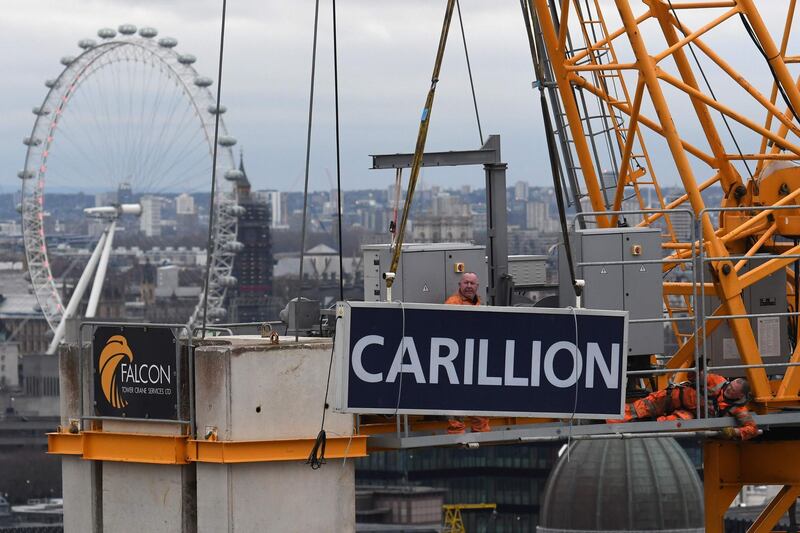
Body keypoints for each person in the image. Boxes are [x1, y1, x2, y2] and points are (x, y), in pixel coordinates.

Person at [609, 372, 758, 440]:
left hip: (691, 415)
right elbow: (692, 376)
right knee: (642, 406)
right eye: (729, 386)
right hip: (674, 398)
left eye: (732, 390)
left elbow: (752, 429)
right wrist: (697, 373)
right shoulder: (716, 380)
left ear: (739, 396)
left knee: (669, 424)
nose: (728, 389)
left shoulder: (739, 409)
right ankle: (609, 418)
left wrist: (734, 432)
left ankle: (641, 427)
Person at [444, 272, 490, 434]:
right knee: (457, 396)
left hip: (475, 357)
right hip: (457, 359)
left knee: (477, 394)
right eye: (466, 283)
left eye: (472, 283)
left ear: (477, 286)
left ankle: (480, 429)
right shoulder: (453, 303)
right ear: (460, 285)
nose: (469, 286)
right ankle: (456, 430)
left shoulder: (478, 304)